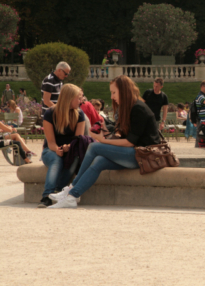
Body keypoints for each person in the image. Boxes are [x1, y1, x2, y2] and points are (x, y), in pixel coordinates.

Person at [48, 75, 161, 209]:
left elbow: (130, 142)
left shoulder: (138, 108)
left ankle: (71, 189)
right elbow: (125, 137)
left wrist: (102, 140)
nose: (112, 96)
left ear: (123, 91)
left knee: (94, 147)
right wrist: (106, 133)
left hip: (144, 156)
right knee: (100, 161)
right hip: (136, 154)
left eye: (114, 92)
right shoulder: (129, 107)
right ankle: (73, 195)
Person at [37, 84, 86, 208]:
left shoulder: (79, 114)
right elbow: (51, 142)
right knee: (57, 160)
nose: (81, 101)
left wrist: (68, 147)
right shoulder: (50, 114)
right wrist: (57, 149)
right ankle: (47, 196)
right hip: (51, 150)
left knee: (73, 160)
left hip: (71, 150)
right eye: (78, 98)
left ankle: (58, 191)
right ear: (69, 98)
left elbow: (78, 139)